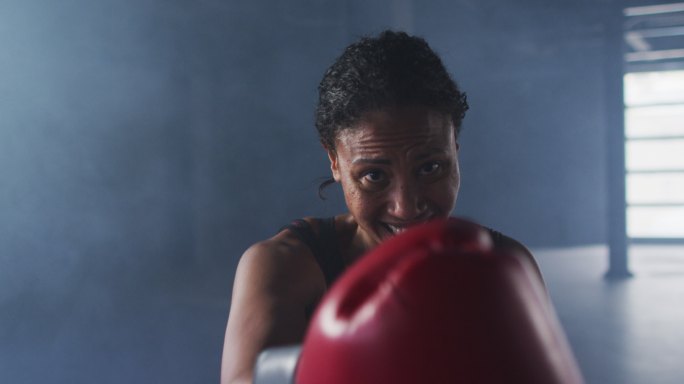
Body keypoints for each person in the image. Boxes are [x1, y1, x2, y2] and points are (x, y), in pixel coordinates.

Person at [220, 30, 543, 384]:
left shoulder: (506, 267)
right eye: (374, 176)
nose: (406, 207)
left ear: (455, 151)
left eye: (430, 168)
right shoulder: (287, 268)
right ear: (335, 163)